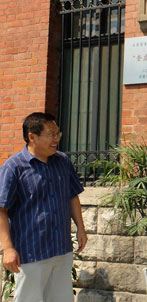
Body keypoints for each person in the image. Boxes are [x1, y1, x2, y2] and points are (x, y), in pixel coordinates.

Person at [0, 112, 87, 301]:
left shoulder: (62, 161)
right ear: (32, 136)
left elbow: (72, 196)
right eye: (51, 135)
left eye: (58, 134)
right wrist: (7, 248)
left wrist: (80, 227)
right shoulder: (14, 167)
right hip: (31, 253)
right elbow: (1, 209)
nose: (56, 139)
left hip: (61, 250)